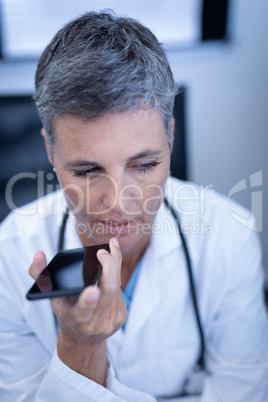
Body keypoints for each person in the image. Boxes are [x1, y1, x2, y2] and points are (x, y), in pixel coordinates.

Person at [0, 10, 268, 402]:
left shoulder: (230, 237)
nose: (120, 202)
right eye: (88, 170)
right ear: (49, 151)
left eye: (144, 165)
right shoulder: (9, 254)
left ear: (170, 137)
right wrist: (79, 346)